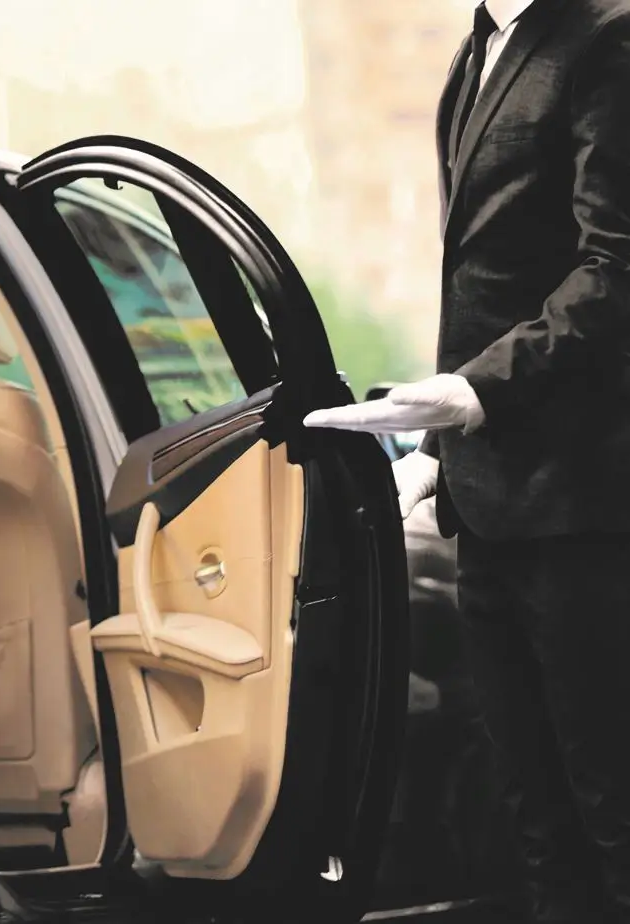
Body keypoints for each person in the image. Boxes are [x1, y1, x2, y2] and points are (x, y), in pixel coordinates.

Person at [303, 1, 630, 921]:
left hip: (586, 511)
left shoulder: (603, 35)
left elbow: (615, 269)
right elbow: (489, 282)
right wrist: (443, 453)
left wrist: (476, 393)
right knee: (535, 819)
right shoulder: (478, 48)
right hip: (486, 505)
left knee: (612, 812)